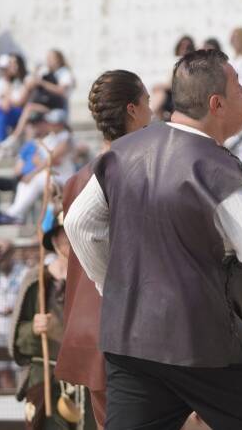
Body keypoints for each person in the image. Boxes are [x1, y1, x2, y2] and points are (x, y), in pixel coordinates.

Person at [65, 49, 242, 429]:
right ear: (216, 103)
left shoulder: (122, 152)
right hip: (204, 344)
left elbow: (79, 224)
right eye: (238, 88)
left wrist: (116, 289)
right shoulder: (217, 167)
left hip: (130, 339)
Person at [56, 69, 152, 428]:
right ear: (132, 109)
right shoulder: (137, 172)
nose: (152, 110)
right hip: (130, 330)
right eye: (147, 102)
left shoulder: (75, 180)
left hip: (91, 328)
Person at [9, 213, 94, 428]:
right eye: (65, 234)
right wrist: (35, 329)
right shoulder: (36, 280)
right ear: (55, 240)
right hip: (44, 381)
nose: (71, 240)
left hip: (86, 381)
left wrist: (62, 332)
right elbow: (17, 339)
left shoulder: (94, 279)